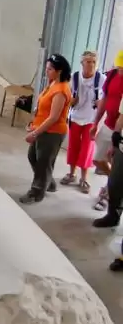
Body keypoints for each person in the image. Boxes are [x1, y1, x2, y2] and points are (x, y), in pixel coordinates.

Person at [20, 54, 73, 205]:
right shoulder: (53, 83)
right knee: (33, 157)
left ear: (59, 71)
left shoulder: (61, 90)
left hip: (52, 132)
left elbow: (53, 117)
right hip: (42, 128)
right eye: (47, 68)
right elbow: (43, 107)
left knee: (43, 163)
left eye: (50, 69)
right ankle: (48, 182)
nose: (46, 71)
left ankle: (36, 192)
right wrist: (33, 123)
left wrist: (35, 133)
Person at [60, 51, 102, 193]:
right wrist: (72, 101)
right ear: (82, 63)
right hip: (75, 117)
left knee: (87, 149)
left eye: (93, 62)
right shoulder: (74, 77)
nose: (91, 65)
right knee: (73, 146)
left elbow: (105, 98)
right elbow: (67, 99)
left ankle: (84, 179)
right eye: (88, 61)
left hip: (91, 119)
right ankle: (72, 174)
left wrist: (100, 104)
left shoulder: (101, 79)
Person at [90, 50, 123, 216]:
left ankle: (108, 194)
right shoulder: (112, 75)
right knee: (98, 160)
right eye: (119, 67)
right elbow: (104, 100)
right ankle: (114, 184)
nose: (121, 71)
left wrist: (117, 136)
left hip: (121, 130)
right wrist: (95, 123)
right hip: (109, 125)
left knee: (117, 164)